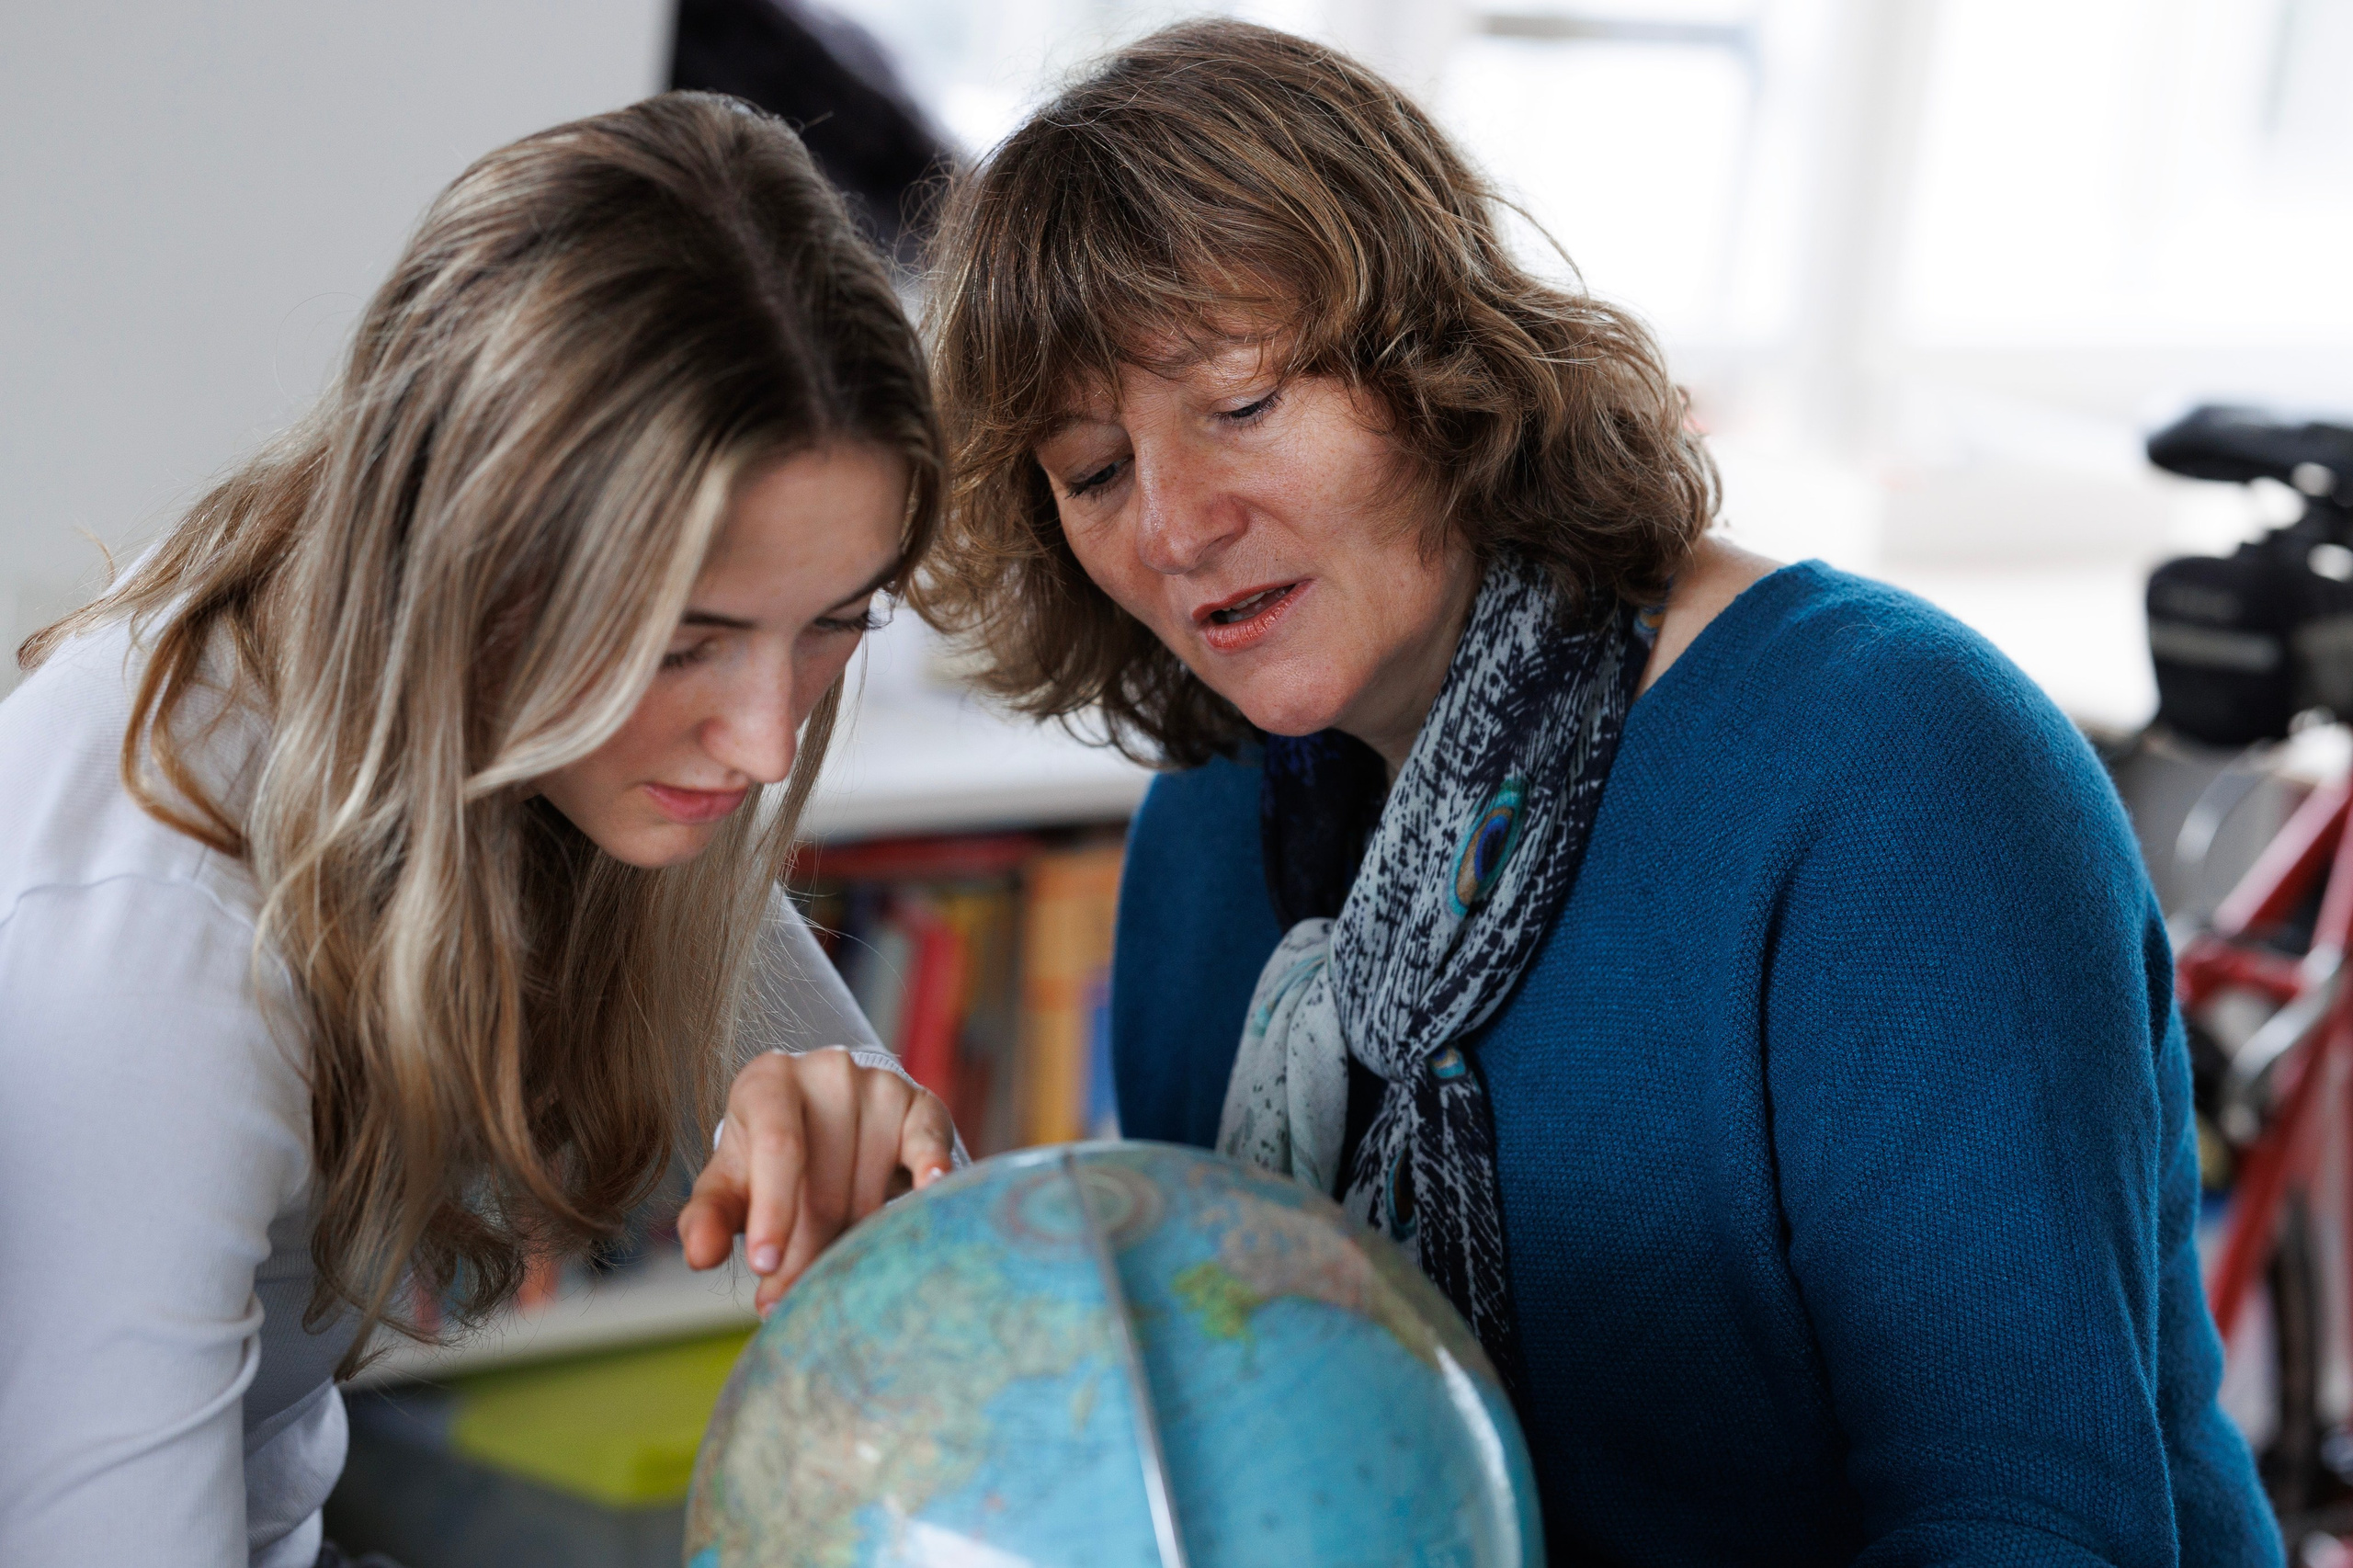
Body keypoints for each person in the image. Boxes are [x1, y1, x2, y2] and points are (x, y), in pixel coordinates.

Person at [915, 20, 2281, 1565]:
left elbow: (2035, 1529)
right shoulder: (1210, 832)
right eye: (1093, 472)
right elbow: (1201, 1443)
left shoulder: (1900, 772)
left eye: (1240, 405)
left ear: (1439, 361)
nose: (1172, 525)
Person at [0, 95, 957, 1566]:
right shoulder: (158, 924)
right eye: (682, 642)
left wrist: (868, 1142)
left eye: (834, 624)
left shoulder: (512, 715)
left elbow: (949, 1283)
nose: (767, 741)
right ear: (471, 561)